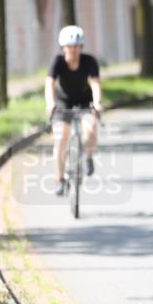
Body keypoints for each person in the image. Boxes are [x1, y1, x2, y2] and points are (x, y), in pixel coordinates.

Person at [46, 25, 102, 196]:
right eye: (69, 47)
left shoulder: (89, 61)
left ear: (81, 47)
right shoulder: (57, 61)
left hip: (85, 101)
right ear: (63, 48)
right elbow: (50, 83)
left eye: (77, 46)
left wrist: (98, 103)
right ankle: (60, 180)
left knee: (91, 127)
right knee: (61, 138)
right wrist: (50, 104)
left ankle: (88, 156)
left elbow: (95, 84)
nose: (73, 50)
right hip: (63, 103)